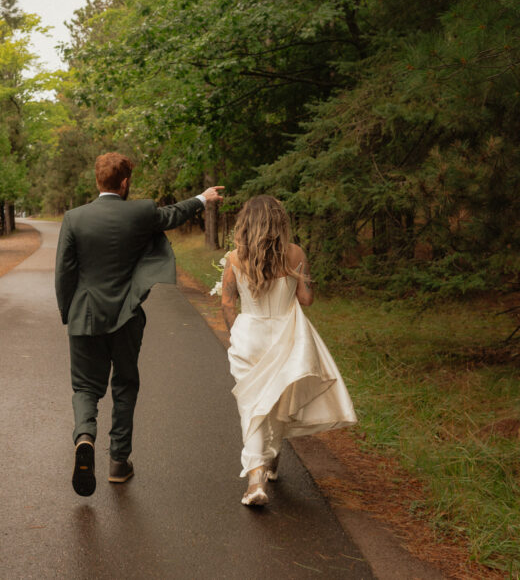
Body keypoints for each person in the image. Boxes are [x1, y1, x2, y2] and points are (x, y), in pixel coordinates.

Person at [56, 152, 224, 497]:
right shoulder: (141, 212)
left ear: (96, 181)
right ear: (125, 183)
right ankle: (118, 462)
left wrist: (68, 313)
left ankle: (85, 436)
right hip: (127, 315)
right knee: (125, 386)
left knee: (86, 387)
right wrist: (202, 199)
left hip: (84, 315)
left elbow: (64, 272)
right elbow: (173, 215)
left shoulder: (74, 218)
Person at [220, 195, 357, 506]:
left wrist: (236, 335)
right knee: (279, 396)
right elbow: (306, 299)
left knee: (254, 405)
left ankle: (257, 478)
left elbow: (228, 303)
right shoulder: (295, 253)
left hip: (250, 335)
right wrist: (302, 280)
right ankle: (267, 464)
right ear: (280, 222)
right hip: (285, 335)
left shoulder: (235, 258)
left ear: (247, 223)